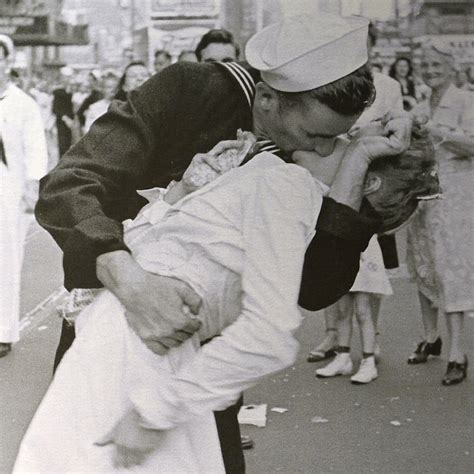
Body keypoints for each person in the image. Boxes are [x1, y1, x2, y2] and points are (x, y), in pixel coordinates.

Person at [35, 14, 412, 472]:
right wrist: (131, 279)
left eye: (337, 139)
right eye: (317, 136)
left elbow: (314, 288)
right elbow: (68, 186)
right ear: (268, 97)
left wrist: (360, 176)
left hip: (198, 365)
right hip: (118, 330)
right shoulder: (191, 90)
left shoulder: (312, 160)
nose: (326, 149)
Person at [307, 21, 404, 365]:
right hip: (330, 177)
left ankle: (370, 339)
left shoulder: (389, 86)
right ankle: (334, 334)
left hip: (370, 183)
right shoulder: (328, 83)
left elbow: (396, 133)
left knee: (368, 267)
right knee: (327, 253)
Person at [406, 39, 473, 385]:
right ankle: (431, 337)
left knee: (453, 272)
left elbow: (472, 145)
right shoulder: (420, 105)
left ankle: (458, 353)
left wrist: (433, 130)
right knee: (424, 267)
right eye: (426, 65)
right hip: (423, 199)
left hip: (456, 198)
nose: (430, 70)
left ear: (452, 66)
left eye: (437, 65)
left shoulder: (465, 101)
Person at [0, 36, 48, 358]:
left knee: (5, 259)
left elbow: (36, 150)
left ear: (7, 63)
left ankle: (3, 329)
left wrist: (32, 186)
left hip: (7, 190)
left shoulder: (23, 105)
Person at [52, 66, 74, 157]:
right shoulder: (58, 92)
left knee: (69, 145)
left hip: (71, 123)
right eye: (66, 77)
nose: (67, 79)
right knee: (63, 145)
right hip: (62, 122)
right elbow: (55, 109)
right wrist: (65, 118)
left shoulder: (72, 91)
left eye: (69, 77)